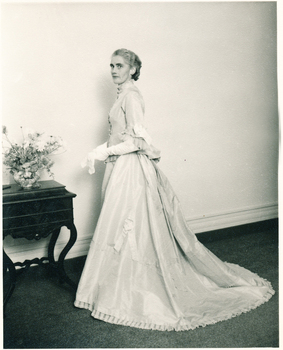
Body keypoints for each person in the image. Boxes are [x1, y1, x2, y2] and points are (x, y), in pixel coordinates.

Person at [74, 48, 274, 331]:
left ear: (132, 69)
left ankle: (131, 288)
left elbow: (136, 141)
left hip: (131, 169)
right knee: (120, 227)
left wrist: (100, 152)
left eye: (119, 65)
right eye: (111, 65)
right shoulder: (123, 94)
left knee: (129, 227)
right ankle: (115, 286)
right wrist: (106, 152)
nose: (113, 70)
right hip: (122, 167)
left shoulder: (131, 96)